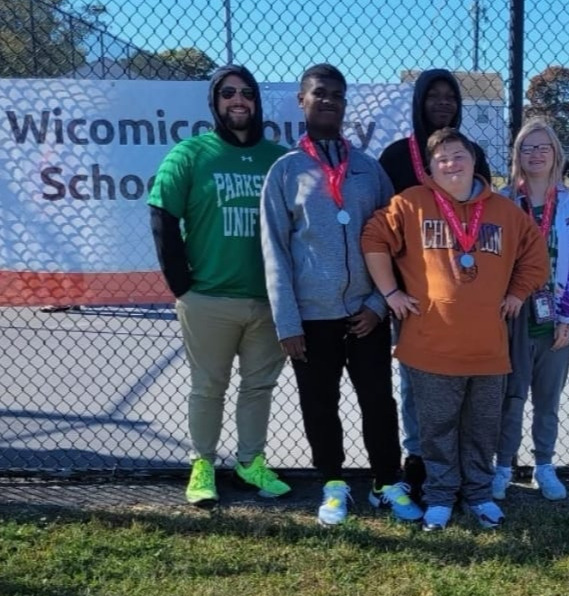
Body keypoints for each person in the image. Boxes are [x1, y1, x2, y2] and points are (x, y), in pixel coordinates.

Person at [362, 127, 549, 531]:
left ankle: (479, 496)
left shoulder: (503, 211)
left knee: (482, 430)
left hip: (488, 350)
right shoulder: (411, 204)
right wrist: (390, 292)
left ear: (473, 160)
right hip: (430, 347)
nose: (451, 163)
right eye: (441, 158)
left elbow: (536, 257)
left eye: (458, 155)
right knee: (437, 430)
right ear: (430, 168)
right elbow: (373, 238)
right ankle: (441, 497)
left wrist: (518, 293)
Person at [260, 64, 420, 526]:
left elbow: (395, 241)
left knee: (378, 401)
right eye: (320, 93)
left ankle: (386, 482)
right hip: (311, 319)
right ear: (302, 101)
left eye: (337, 95)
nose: (329, 100)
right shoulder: (286, 172)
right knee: (319, 402)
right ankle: (333, 483)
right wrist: (287, 322)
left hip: (365, 315)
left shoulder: (369, 170)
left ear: (345, 104)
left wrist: (377, 305)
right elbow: (274, 250)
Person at [148, 64, 291, 507]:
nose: (238, 100)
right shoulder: (190, 154)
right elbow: (162, 215)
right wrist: (181, 284)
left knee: (258, 386)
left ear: (257, 100)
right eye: (228, 93)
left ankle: (250, 462)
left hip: (267, 301)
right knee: (208, 386)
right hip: (207, 297)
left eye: (246, 92)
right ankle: (203, 464)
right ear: (215, 101)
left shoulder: (278, 158)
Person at [377, 69, 492, 503]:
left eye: (451, 97)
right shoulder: (395, 157)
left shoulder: (472, 152)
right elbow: (381, 227)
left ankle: (459, 467)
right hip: (412, 294)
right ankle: (418, 460)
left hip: (463, 292)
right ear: (419, 102)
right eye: (434, 96)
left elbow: (484, 213)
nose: (443, 103)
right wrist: (390, 290)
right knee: (414, 381)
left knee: (463, 379)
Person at [492, 120, 569, 501]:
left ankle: (544, 465)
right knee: (510, 397)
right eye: (526, 148)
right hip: (513, 317)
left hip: (556, 321)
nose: (534, 154)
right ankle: (503, 466)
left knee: (547, 400)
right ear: (516, 155)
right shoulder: (502, 201)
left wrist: (568, 316)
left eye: (542, 147)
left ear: (556, 155)